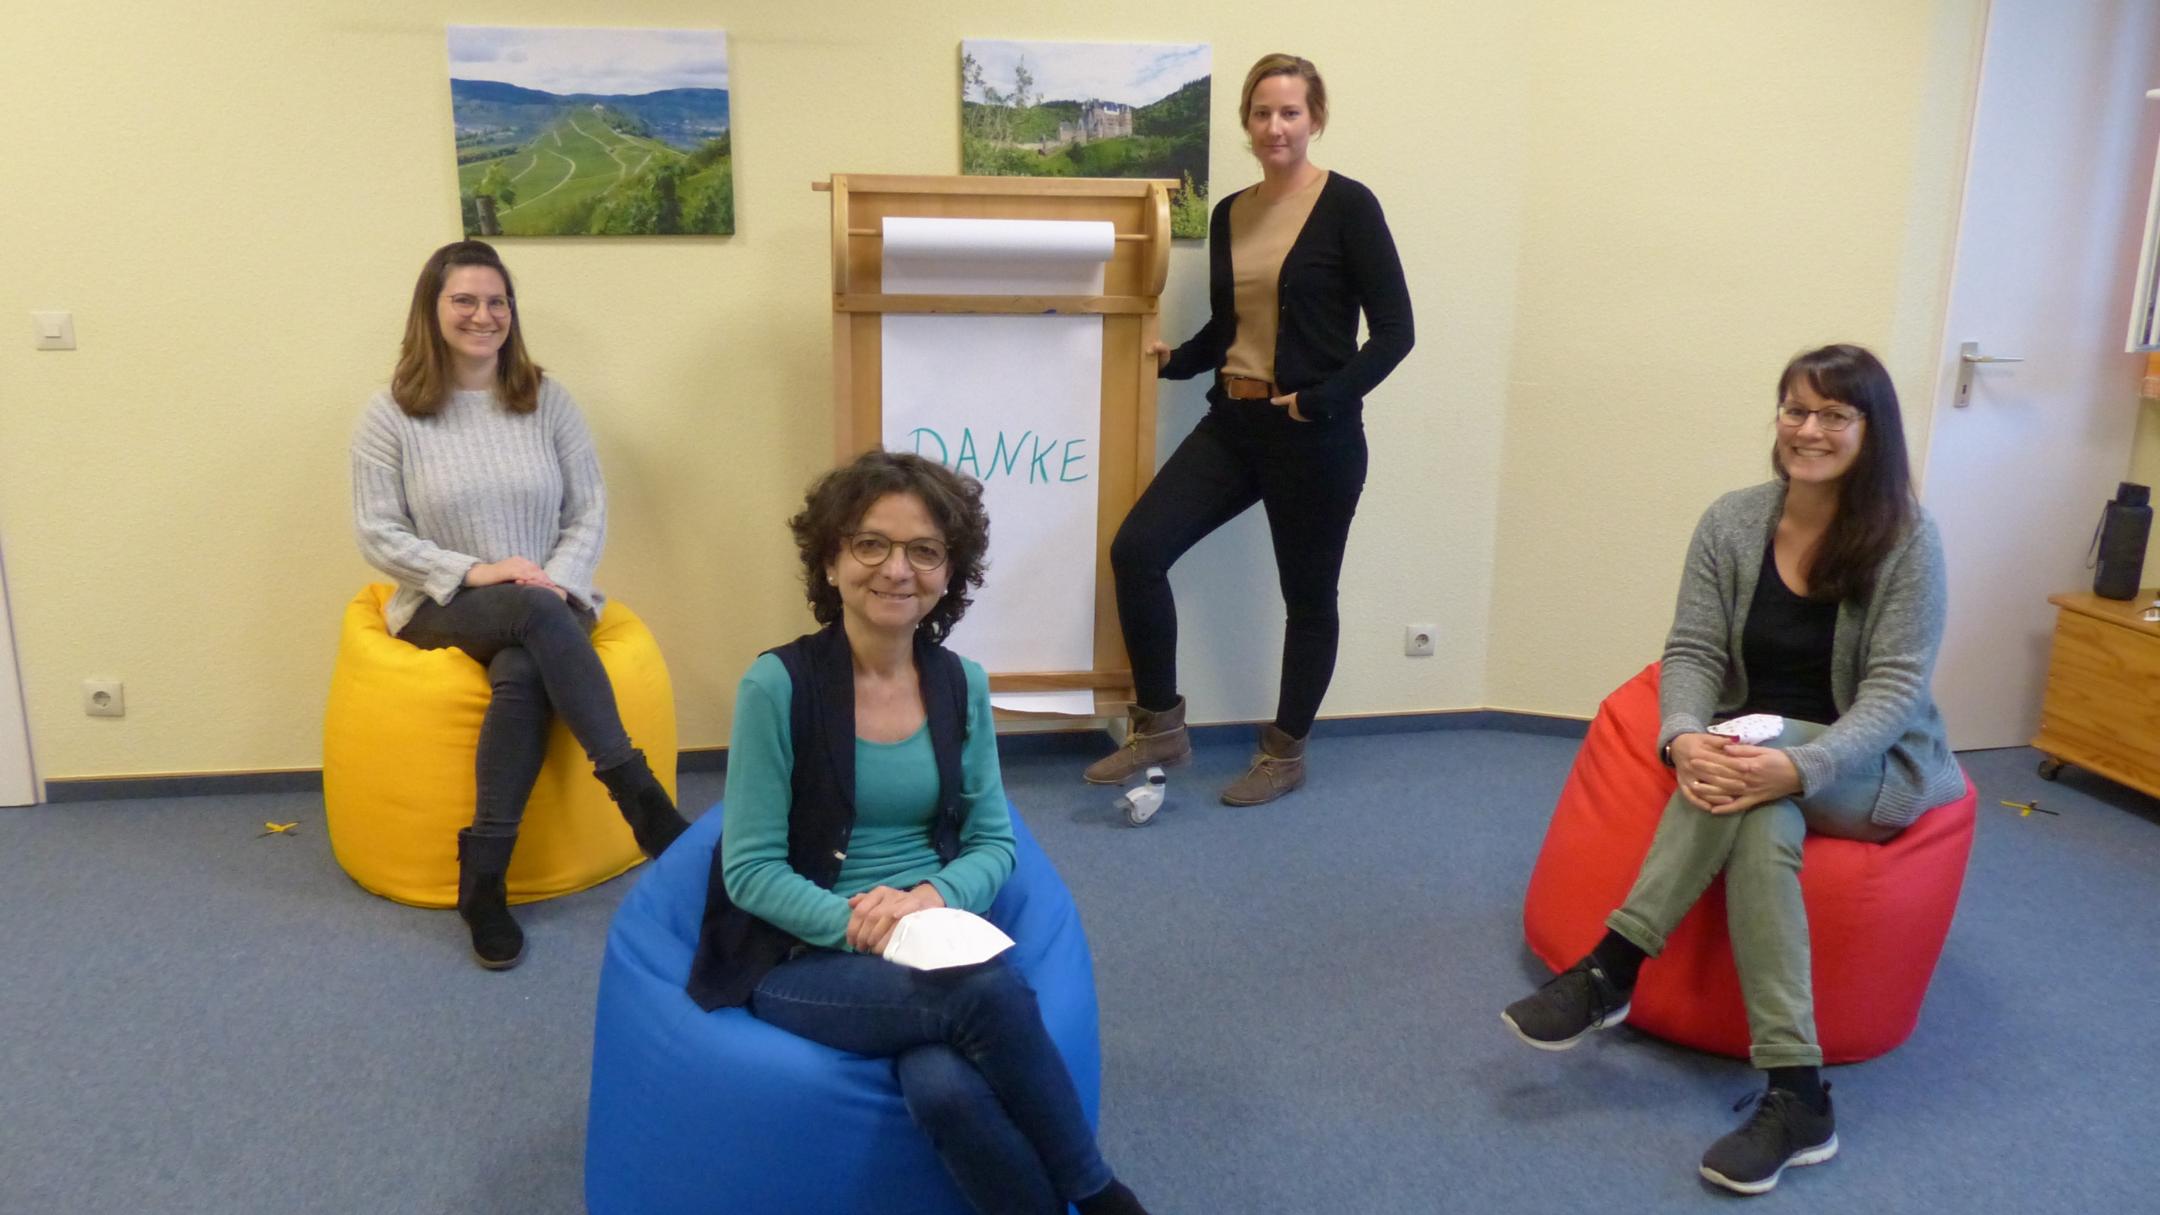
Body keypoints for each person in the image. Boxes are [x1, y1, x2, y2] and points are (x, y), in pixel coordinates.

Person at [1500, 344, 1963, 1195]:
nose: (1808, 429)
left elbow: (1896, 690)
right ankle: (1797, 1093)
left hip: (1869, 762)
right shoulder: (1733, 520)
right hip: (1753, 758)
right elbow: (1691, 650)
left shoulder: (1907, 539)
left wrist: (1800, 763)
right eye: (1794, 409)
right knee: (1758, 817)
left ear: (1872, 430)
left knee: (1756, 770)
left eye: (1833, 414)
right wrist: (1681, 738)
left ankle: (1613, 966)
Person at [687, 450, 1151, 1215]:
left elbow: (996, 842)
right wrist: (867, 924)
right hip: (799, 952)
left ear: (947, 573)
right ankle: (1099, 1193)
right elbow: (752, 872)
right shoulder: (777, 685)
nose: (897, 569)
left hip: (929, 934)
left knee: (942, 1086)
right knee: (987, 996)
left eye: (924, 550)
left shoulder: (958, 682)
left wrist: (928, 898)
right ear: (831, 561)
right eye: (871, 544)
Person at [351, 240, 687, 971]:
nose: (483, 314)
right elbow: (378, 532)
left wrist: (555, 580)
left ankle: (484, 878)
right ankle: (638, 796)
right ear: (432, 311)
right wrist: (479, 572)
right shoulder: (392, 414)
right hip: (443, 604)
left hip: (550, 598)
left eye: (497, 301)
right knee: (533, 619)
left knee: (526, 666)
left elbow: (589, 508)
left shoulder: (545, 397)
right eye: (464, 300)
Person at [1088, 52, 1414, 805]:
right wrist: (1176, 360)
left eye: (1291, 112)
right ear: (1247, 122)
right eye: (1263, 113)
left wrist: (1318, 401)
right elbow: (1230, 326)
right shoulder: (1233, 211)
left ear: (1316, 119)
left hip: (1315, 436)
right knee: (1137, 550)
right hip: (1233, 422)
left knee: (1308, 597)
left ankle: (1285, 750)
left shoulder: (1349, 206)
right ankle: (1160, 724)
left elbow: (1396, 332)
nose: (1276, 126)